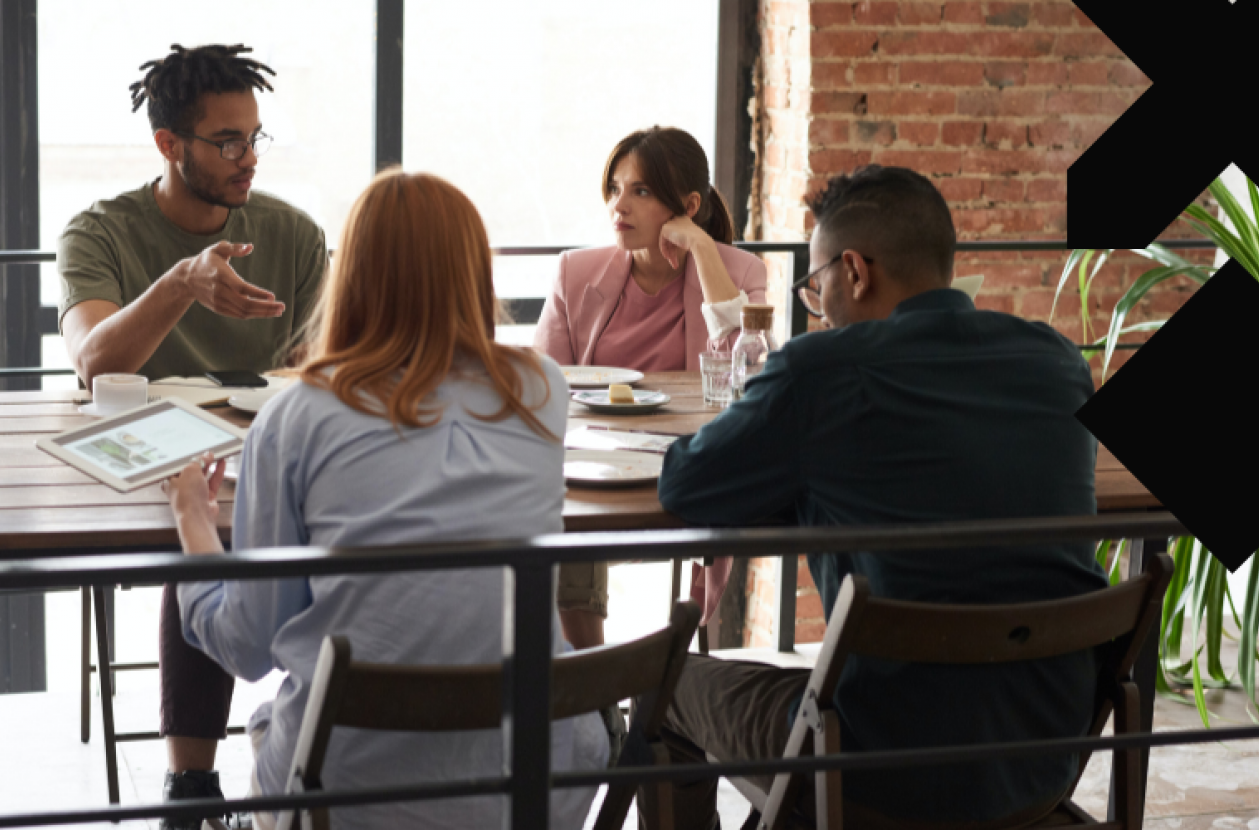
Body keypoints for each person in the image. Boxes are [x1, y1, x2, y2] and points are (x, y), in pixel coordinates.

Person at [649, 165, 1109, 828]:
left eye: (815, 285)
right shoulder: (1057, 361)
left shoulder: (824, 369)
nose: (819, 304)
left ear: (855, 271)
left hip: (878, 759)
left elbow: (686, 487)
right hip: (1044, 749)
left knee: (667, 685)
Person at [162, 170, 609, 830]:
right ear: (471, 269)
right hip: (535, 784)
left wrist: (192, 520)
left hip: (347, 790)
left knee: (269, 718)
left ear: (353, 273)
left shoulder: (298, 415)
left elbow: (248, 648)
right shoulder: (539, 387)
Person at [55, 44, 328, 827]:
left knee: (241, 524)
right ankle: (193, 784)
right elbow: (92, 362)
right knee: (196, 526)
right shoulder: (100, 233)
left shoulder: (294, 235)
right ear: (169, 146)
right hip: (145, 459)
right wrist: (182, 282)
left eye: (254, 137)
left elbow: (316, 376)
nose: (247, 158)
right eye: (227, 141)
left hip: (264, 456)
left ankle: (311, 737)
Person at [534, 126, 767, 650]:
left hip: (687, 467)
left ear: (686, 205)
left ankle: (642, 692)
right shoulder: (576, 271)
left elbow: (748, 375)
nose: (620, 205)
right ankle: (596, 693)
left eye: (640, 191)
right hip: (596, 469)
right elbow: (544, 386)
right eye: (615, 188)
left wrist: (705, 251)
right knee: (567, 516)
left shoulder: (740, 271)